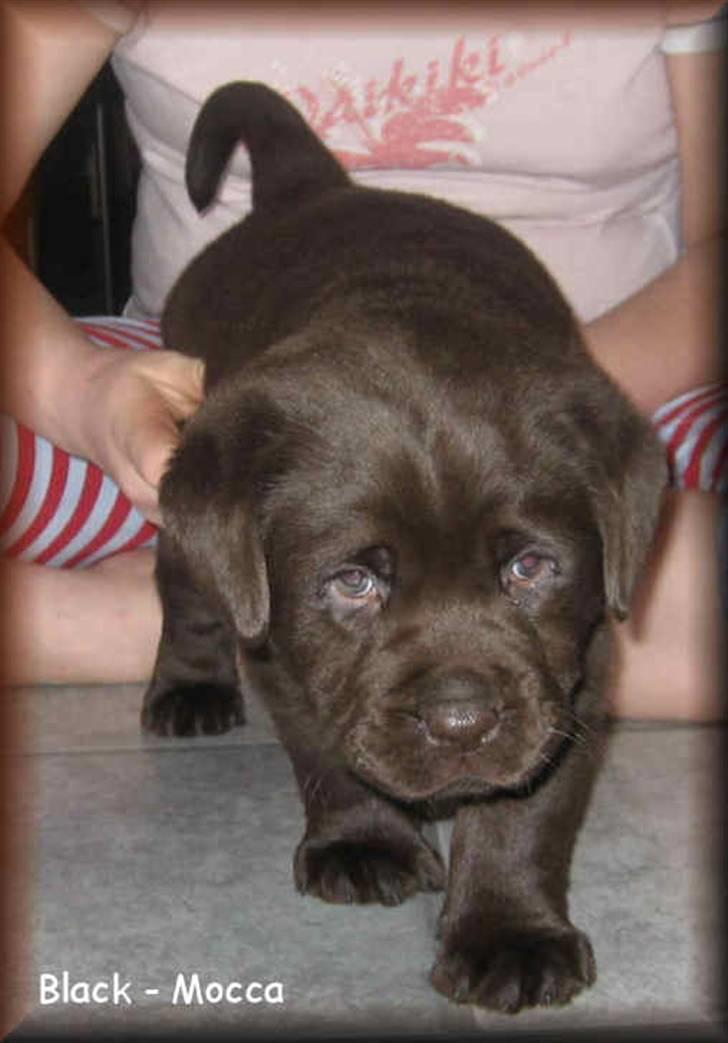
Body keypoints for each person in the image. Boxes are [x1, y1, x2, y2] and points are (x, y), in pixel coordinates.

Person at [0, 0, 724, 720]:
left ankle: (159, 623)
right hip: (191, 396)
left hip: (606, 400)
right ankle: (242, 606)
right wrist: (83, 389)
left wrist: (536, 402)